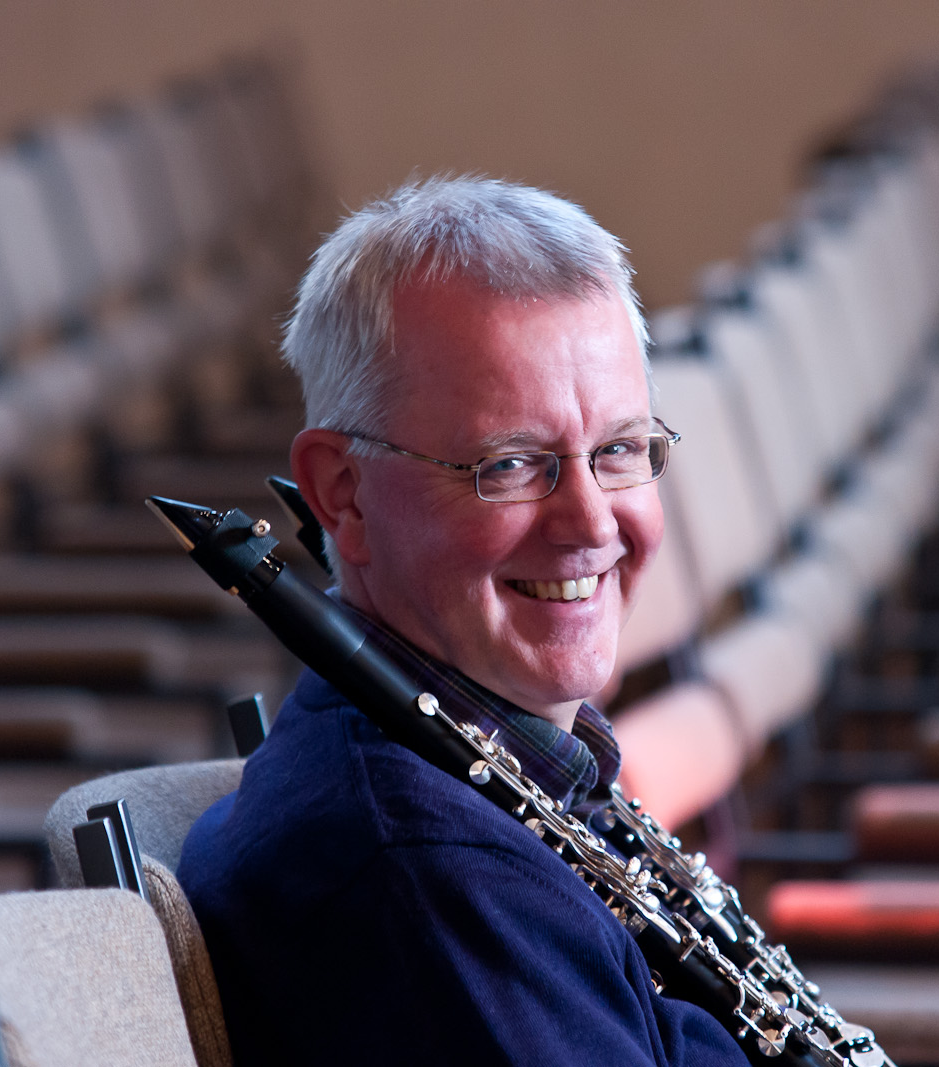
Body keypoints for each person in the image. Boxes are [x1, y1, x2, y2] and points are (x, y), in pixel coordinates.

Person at [179, 176, 746, 1065]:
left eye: (619, 450)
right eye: (511, 464)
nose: (591, 524)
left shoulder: (506, 786)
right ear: (343, 493)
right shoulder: (433, 874)